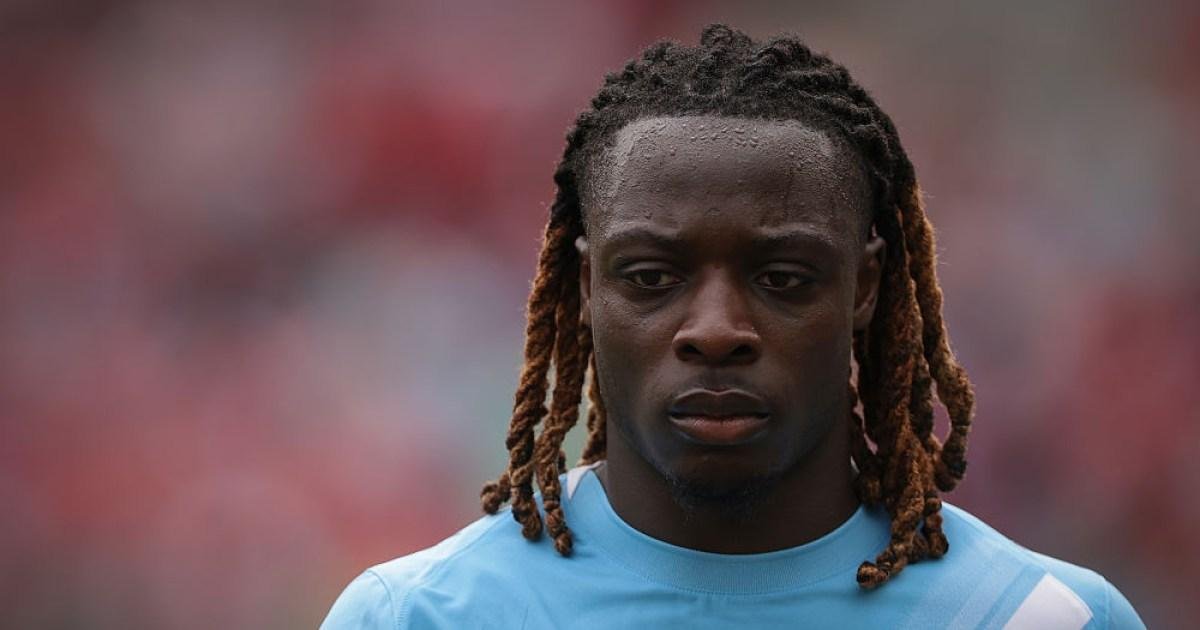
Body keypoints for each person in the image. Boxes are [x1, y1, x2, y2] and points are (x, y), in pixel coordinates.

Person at [321, 24, 1144, 629]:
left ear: (865, 287)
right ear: (585, 288)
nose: (716, 331)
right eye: (651, 278)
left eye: (783, 278)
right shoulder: (418, 618)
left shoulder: (1044, 618)